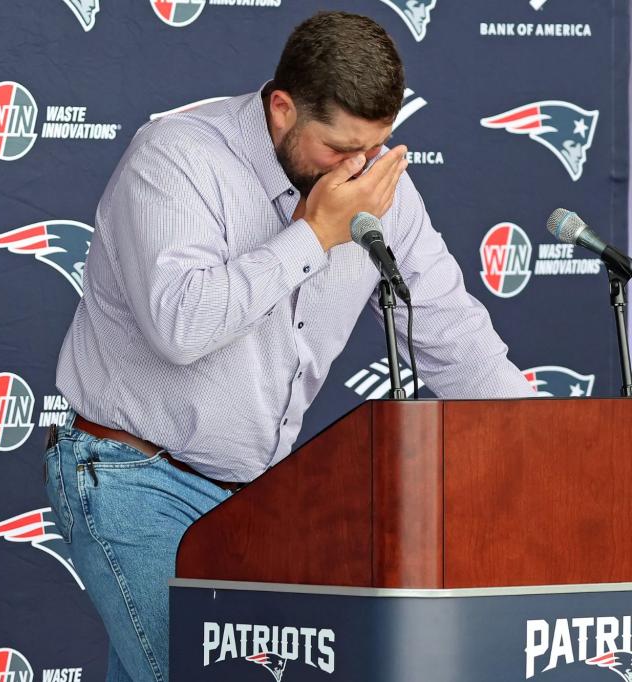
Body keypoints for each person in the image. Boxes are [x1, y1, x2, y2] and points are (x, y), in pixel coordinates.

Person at [46, 11, 535, 682]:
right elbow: (182, 326)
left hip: (257, 497)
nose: (358, 169)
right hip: (132, 472)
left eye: (376, 145)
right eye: (339, 148)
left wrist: (547, 451)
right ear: (282, 109)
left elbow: (451, 333)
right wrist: (312, 236)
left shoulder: (377, 185)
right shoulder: (176, 157)